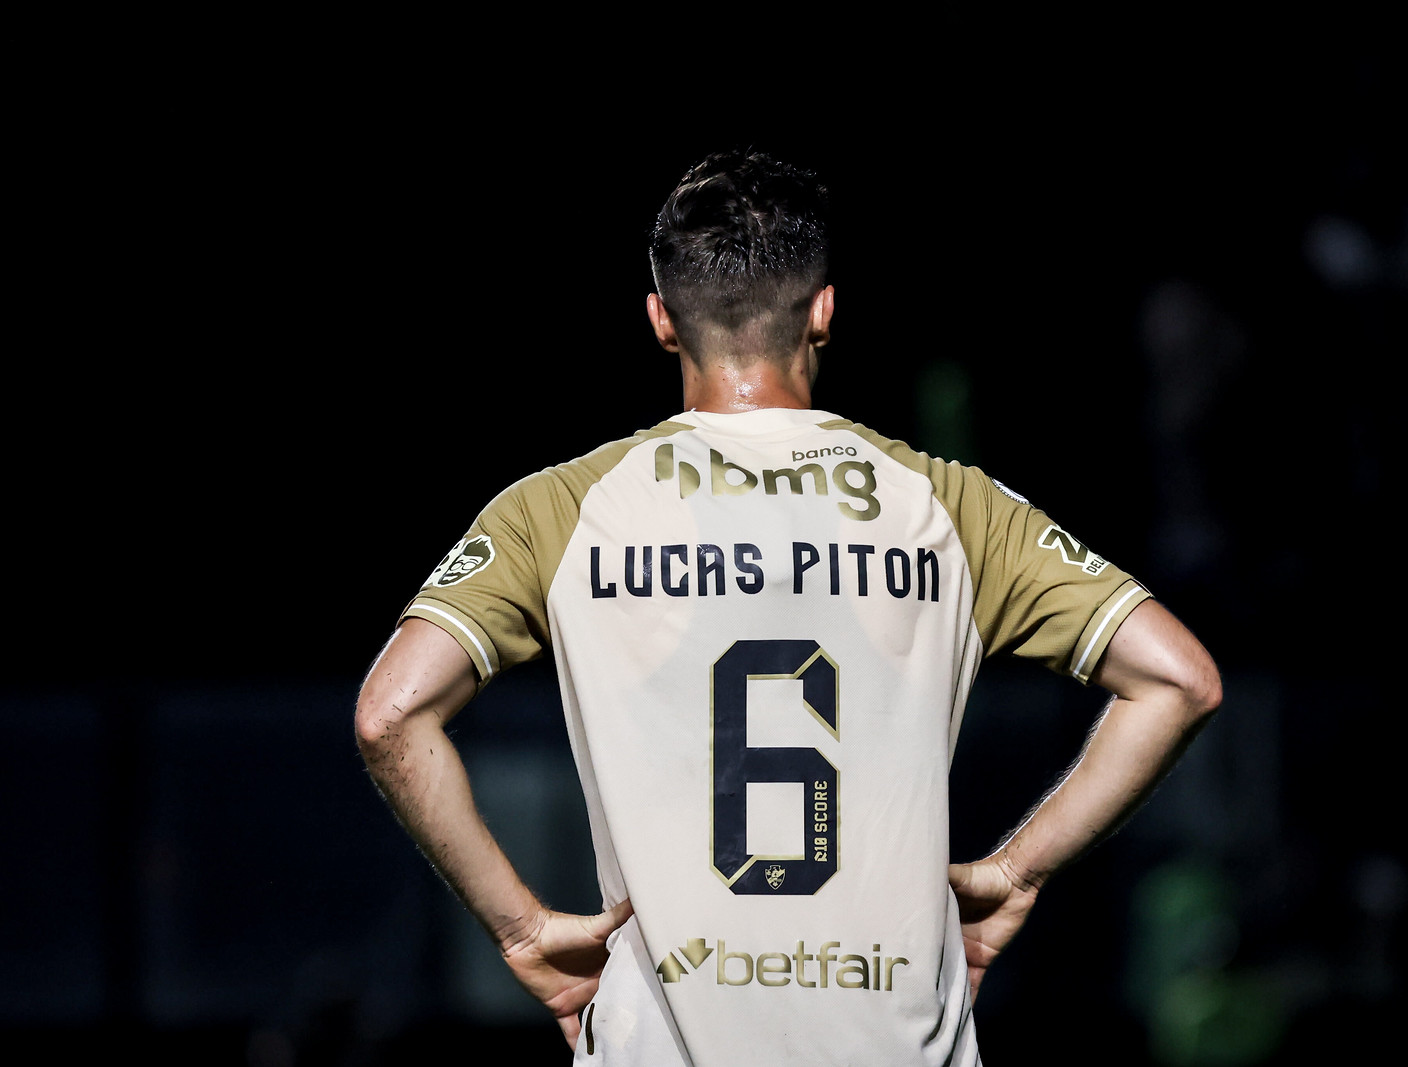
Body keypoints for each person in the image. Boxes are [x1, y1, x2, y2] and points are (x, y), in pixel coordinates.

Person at [354, 148, 1222, 1065]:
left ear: (660, 320)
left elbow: (389, 714)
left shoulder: (561, 510)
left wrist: (521, 927)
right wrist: (1015, 872)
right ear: (824, 311)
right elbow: (1181, 681)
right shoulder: (947, 507)